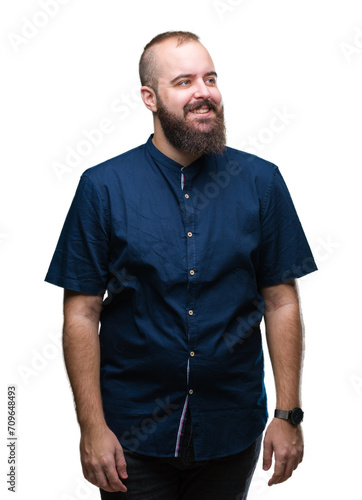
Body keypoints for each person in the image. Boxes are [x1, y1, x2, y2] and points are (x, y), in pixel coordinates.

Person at [45, 31, 317, 499]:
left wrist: (287, 414)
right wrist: (91, 428)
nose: (203, 92)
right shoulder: (103, 187)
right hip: (131, 436)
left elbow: (280, 301)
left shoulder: (261, 182)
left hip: (231, 429)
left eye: (210, 78)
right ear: (149, 98)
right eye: (184, 81)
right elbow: (81, 313)